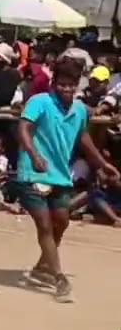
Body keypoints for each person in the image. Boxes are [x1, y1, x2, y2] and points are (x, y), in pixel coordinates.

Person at [14, 58, 118, 303]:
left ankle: (42, 266)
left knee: (61, 222)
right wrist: (34, 155)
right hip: (32, 172)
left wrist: (103, 164)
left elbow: (83, 139)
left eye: (71, 85)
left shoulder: (80, 110)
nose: (66, 89)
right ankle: (59, 278)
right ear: (54, 83)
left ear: (77, 85)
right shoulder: (39, 102)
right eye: (62, 84)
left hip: (60, 175)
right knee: (45, 224)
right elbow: (23, 129)